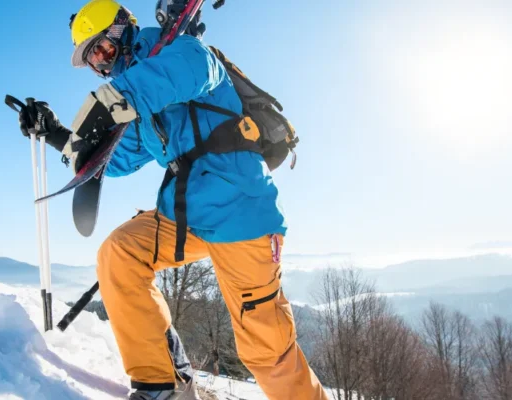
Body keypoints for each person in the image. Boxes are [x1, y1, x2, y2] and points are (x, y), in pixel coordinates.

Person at [18, 0, 329, 399]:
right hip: (185, 216)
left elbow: (169, 76)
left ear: (122, 30)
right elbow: (114, 159)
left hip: (240, 214)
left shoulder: (185, 52)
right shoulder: (136, 101)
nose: (103, 65)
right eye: (94, 62)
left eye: (103, 49)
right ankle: (162, 384)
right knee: (120, 253)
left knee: (266, 350)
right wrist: (57, 133)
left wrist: (109, 103)